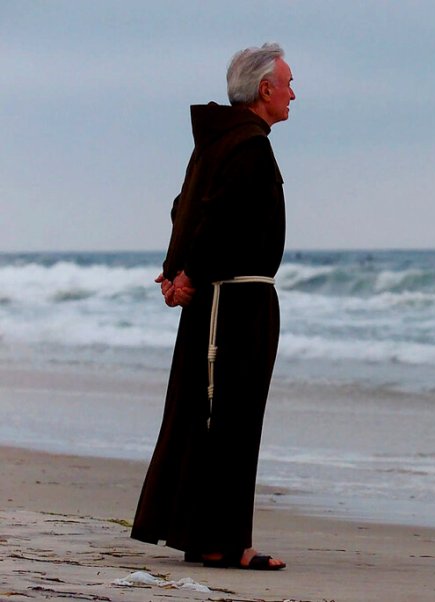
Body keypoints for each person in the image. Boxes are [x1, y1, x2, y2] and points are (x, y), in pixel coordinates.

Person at [131, 43, 295, 570]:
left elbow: (187, 209)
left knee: (217, 417)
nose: (294, 94)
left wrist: (176, 270)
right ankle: (225, 542)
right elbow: (211, 217)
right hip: (233, 299)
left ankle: (209, 537)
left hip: (228, 297)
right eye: (288, 84)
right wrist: (186, 275)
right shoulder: (246, 146)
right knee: (229, 420)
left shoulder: (224, 142)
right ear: (264, 89)